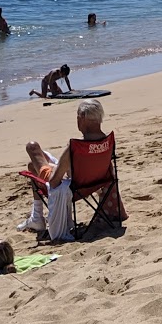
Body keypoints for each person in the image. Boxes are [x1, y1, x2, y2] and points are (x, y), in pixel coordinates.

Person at [20, 98, 113, 241]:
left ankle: (37, 217)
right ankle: (36, 216)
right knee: (34, 164)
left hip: (74, 188)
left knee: (32, 149)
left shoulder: (76, 147)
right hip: (94, 182)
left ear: (82, 118)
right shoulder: (107, 141)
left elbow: (54, 182)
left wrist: (56, 170)